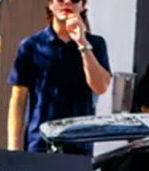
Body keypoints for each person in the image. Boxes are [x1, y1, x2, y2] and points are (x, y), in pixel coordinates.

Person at [6, 0, 110, 153]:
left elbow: (100, 87)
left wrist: (82, 44)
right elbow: (18, 99)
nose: (67, 2)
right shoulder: (31, 46)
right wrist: (13, 146)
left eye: (74, 0)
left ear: (83, 5)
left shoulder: (96, 44)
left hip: (79, 144)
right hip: (40, 144)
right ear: (50, 4)